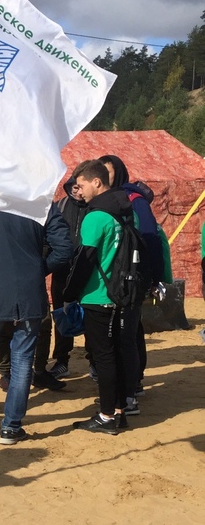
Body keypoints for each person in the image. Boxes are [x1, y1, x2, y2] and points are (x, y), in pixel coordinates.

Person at [0, 200, 73, 444]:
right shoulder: (41, 201)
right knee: (22, 360)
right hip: (29, 294)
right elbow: (64, 247)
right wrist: (37, 270)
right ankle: (11, 426)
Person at [62, 159, 135, 434]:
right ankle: (118, 410)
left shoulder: (95, 216)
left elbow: (84, 260)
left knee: (102, 357)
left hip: (97, 294)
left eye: (81, 185)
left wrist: (69, 294)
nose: (78, 191)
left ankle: (106, 416)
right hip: (119, 293)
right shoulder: (123, 211)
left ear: (97, 182)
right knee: (115, 352)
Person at [98, 153, 164, 403]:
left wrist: (152, 277)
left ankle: (131, 387)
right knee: (125, 331)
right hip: (111, 279)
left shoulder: (134, 201)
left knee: (128, 333)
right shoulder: (103, 201)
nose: (104, 178)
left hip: (132, 277)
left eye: (108, 172)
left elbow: (150, 239)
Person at [48, 172, 88, 378]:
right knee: (62, 316)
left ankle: (94, 360)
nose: (77, 192)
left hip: (88, 272)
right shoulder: (60, 207)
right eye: (74, 187)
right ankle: (62, 360)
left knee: (91, 316)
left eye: (80, 187)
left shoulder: (94, 207)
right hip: (62, 271)